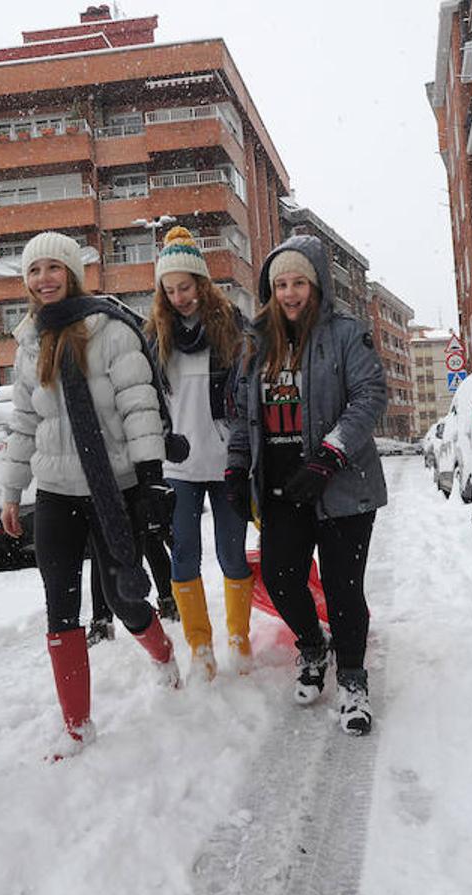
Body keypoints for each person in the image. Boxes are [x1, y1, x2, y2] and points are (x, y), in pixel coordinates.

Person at [0, 231, 181, 755]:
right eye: (34, 272)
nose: (43, 280)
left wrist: (149, 480)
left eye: (53, 269)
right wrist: (13, 491)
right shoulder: (29, 340)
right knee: (60, 603)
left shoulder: (110, 330)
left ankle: (162, 653)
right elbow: (24, 422)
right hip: (55, 492)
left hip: (113, 488)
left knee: (126, 598)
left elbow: (139, 406)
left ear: (73, 274)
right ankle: (77, 724)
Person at [225, 233, 387, 735]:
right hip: (280, 486)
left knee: (343, 588)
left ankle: (354, 682)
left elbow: (369, 396)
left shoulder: (345, 333)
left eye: (298, 282)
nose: (290, 293)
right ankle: (313, 648)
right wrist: (236, 466)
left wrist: (328, 456)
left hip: (340, 485)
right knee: (279, 577)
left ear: (315, 285)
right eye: (280, 284)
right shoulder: (255, 340)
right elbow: (239, 413)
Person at [145, 227, 255, 680]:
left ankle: (238, 638)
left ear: (202, 283)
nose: (178, 298)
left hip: (227, 458)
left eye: (185, 287)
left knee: (232, 555)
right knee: (183, 557)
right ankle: (200, 646)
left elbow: (252, 392)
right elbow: (147, 398)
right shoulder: (154, 335)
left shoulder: (232, 326)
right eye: (169, 291)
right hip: (179, 466)